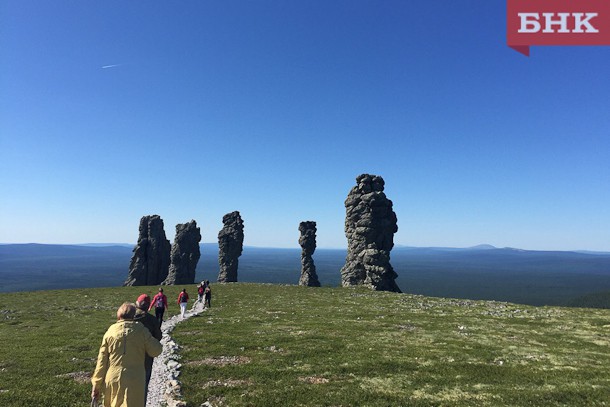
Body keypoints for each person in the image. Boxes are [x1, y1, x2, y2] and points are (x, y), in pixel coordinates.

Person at [91, 302, 162, 407]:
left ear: (118, 316)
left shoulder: (110, 332)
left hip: (113, 378)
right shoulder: (142, 331)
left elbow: (101, 362)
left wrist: (96, 385)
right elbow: (156, 351)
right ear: (133, 316)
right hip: (135, 378)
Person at [134, 294, 162, 403]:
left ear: (137, 304)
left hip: (128, 357)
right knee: (143, 386)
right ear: (148, 305)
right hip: (146, 358)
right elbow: (158, 337)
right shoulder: (152, 320)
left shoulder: (129, 317)